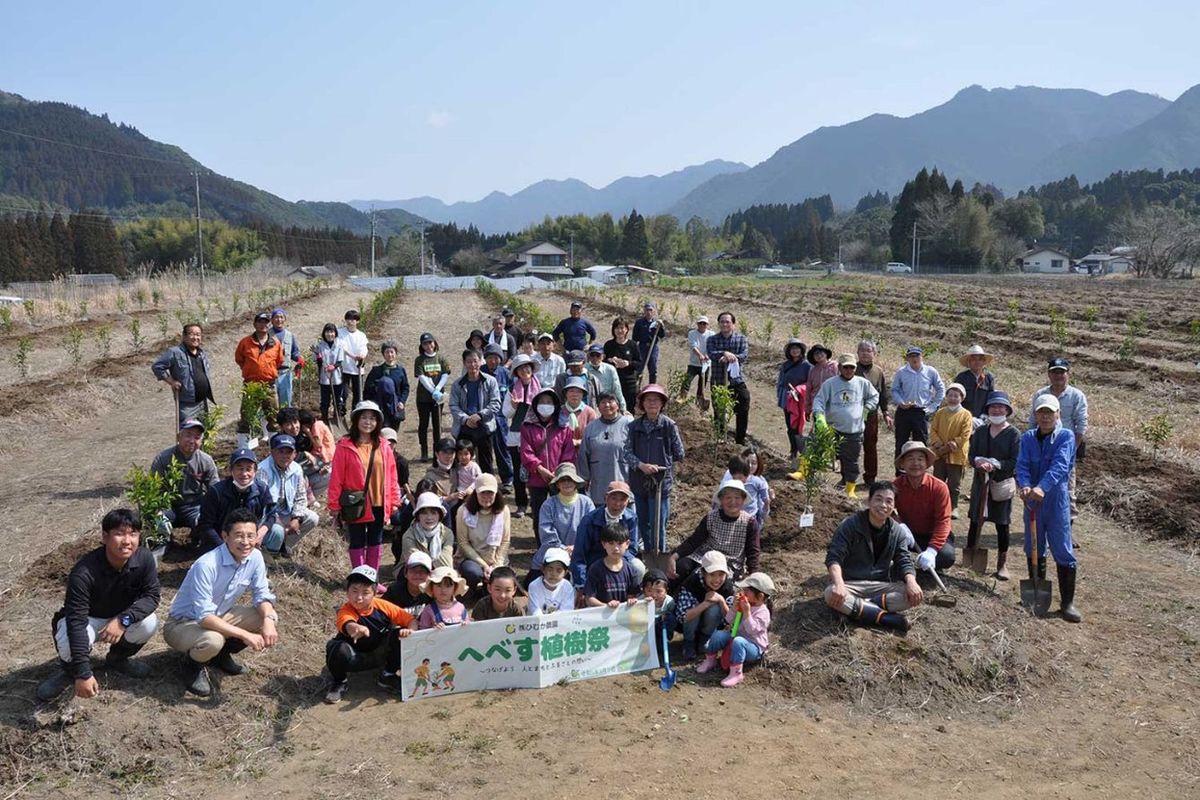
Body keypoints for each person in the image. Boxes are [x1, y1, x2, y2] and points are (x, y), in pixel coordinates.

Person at [36, 509, 161, 702]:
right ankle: (71, 672)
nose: (127, 541)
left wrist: (123, 620)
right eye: (119, 533)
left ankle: (118, 659)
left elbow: (152, 596)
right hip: (88, 619)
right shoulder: (84, 572)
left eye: (133, 534)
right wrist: (83, 674)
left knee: (149, 623)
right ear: (105, 537)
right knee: (68, 637)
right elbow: (76, 621)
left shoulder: (144, 559)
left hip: (120, 616)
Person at [164, 508, 279, 697]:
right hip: (183, 624)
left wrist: (267, 619)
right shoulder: (206, 565)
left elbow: (261, 594)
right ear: (225, 536)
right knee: (213, 640)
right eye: (239, 536)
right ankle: (192, 666)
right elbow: (204, 618)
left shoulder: (255, 557)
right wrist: (245, 635)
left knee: (269, 617)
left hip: (219, 614)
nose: (246, 542)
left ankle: (219, 656)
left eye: (251, 536)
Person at [824, 481, 923, 632]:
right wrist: (839, 583)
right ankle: (887, 619)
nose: (883, 505)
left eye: (889, 501)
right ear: (868, 501)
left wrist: (912, 582)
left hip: (879, 586)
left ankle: (858, 610)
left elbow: (904, 560)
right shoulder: (850, 525)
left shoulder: (897, 532)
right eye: (878, 499)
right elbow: (834, 556)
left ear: (894, 507)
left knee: (910, 595)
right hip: (851, 584)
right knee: (830, 593)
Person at [1017, 394, 1080, 622]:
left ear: (1057, 415)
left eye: (1049, 413)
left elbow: (1061, 465)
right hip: (1032, 501)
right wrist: (1024, 485)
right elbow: (1022, 465)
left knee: (1062, 548)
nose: (1045, 417)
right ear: (1035, 415)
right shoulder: (1027, 438)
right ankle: (1036, 593)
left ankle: (1067, 603)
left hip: (1055, 501)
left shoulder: (1065, 436)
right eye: (1041, 412)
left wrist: (1042, 487)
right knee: (1033, 545)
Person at [327, 400, 402, 575]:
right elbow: (336, 477)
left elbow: (392, 476)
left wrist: (394, 501)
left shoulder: (383, 446)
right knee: (357, 540)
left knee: (376, 540)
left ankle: (371, 577)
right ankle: (359, 577)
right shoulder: (345, 446)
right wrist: (334, 505)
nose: (368, 422)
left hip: (378, 500)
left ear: (377, 423)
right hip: (356, 502)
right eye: (364, 418)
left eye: (372, 418)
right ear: (356, 420)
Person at [323, 565, 416, 703]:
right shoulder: (346, 609)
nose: (359, 597)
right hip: (355, 658)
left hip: (380, 655)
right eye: (354, 591)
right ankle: (340, 682)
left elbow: (411, 620)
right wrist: (356, 628)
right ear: (347, 592)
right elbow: (347, 623)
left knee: (400, 634)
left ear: (374, 593)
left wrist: (411, 630)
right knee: (335, 648)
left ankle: (388, 675)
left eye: (365, 592)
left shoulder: (383, 606)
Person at [623, 383, 685, 553]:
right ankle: (649, 555)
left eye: (656, 400)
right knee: (643, 523)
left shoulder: (669, 426)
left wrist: (662, 465)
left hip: (661, 483)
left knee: (659, 524)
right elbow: (626, 453)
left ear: (662, 404)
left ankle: (660, 556)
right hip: (639, 482)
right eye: (648, 400)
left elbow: (679, 452)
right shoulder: (633, 427)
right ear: (642, 403)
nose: (652, 404)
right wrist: (641, 465)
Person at [965, 391, 1021, 580]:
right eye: (993, 406)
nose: (997, 410)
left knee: (1002, 523)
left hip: (1001, 485)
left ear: (1007, 410)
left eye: (1000, 406)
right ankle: (971, 555)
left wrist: (996, 464)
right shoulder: (980, 431)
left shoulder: (1013, 434)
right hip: (981, 483)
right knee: (975, 518)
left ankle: (1002, 564)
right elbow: (971, 455)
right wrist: (979, 462)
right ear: (988, 409)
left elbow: (1015, 462)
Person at [1028, 357, 1088, 530]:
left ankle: (1066, 529)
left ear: (1068, 374)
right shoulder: (1041, 395)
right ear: (1049, 374)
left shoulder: (1076, 396)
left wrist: (1071, 450)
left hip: (1065, 449)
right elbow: (1033, 421)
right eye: (1054, 372)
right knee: (1040, 485)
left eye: (1061, 372)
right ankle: (1040, 525)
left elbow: (1081, 425)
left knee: (1067, 490)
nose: (1058, 375)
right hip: (1041, 447)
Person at [812, 353, 880, 496]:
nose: (849, 370)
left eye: (852, 368)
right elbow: (819, 401)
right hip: (833, 428)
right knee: (818, 451)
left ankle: (850, 488)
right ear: (840, 368)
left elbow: (874, 396)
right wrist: (819, 416)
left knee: (851, 459)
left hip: (853, 430)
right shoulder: (830, 384)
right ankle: (807, 477)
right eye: (846, 367)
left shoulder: (862, 383)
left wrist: (867, 408)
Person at [667, 479, 761, 583]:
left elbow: (753, 551)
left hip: (729, 562)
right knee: (682, 567)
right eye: (728, 497)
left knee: (721, 583)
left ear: (743, 500)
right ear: (721, 500)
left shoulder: (749, 522)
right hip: (705, 557)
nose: (732, 502)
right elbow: (694, 540)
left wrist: (754, 575)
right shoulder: (711, 517)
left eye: (737, 498)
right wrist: (675, 556)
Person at [697, 572, 775, 688]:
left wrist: (747, 613)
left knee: (739, 641)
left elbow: (751, 630)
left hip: (753, 647)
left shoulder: (763, 612)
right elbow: (728, 620)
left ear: (760, 596)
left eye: (747, 591)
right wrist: (734, 608)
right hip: (736, 638)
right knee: (718, 635)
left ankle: (736, 673)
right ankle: (710, 660)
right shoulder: (744, 604)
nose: (743, 593)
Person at [194, 448, 274, 553]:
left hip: (248, 542)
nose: (244, 474)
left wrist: (260, 533)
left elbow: (272, 514)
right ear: (231, 470)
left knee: (277, 532)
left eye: (248, 469)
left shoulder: (262, 489)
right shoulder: (217, 491)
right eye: (240, 468)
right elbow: (205, 525)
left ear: (255, 471)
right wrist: (225, 547)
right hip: (219, 543)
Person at [893, 440, 956, 572]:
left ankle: (926, 562)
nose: (916, 463)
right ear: (903, 464)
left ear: (927, 463)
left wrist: (932, 551)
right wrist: (899, 524)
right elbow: (884, 509)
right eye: (910, 459)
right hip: (907, 534)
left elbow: (943, 521)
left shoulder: (939, 488)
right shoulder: (895, 486)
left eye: (920, 459)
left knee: (946, 556)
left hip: (932, 534)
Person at [520, 386, 576, 532]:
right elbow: (526, 452)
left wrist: (560, 473)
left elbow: (568, 452)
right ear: (536, 405)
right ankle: (542, 546)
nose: (546, 405)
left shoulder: (563, 427)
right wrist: (540, 469)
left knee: (561, 514)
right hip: (536, 478)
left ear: (555, 405)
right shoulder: (527, 426)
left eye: (549, 402)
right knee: (539, 514)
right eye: (542, 401)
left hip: (559, 479)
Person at [570, 480, 643, 589]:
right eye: (614, 498)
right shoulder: (589, 520)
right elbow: (579, 555)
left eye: (622, 499)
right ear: (606, 498)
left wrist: (616, 561)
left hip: (620, 559)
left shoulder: (631, 518)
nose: (618, 504)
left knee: (638, 566)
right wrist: (581, 585)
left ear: (628, 501)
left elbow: (632, 547)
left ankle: (632, 594)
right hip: (594, 562)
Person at [530, 463, 594, 583]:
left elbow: (591, 530)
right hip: (553, 550)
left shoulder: (587, 502)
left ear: (576, 482)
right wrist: (563, 549)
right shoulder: (548, 504)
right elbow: (546, 532)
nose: (566, 483)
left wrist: (576, 547)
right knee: (535, 582)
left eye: (570, 479)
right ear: (557, 484)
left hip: (581, 550)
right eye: (563, 480)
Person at [151, 418, 219, 531]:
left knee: (205, 525)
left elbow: (215, 489)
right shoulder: (163, 459)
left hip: (194, 506)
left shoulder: (206, 460)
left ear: (201, 441)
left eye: (197, 437)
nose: (192, 440)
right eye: (188, 435)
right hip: (168, 505)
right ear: (179, 437)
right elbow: (153, 489)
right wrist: (157, 512)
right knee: (158, 528)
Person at [258, 433, 320, 555]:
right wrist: (277, 522)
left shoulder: (296, 469)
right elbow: (263, 505)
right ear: (272, 452)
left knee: (312, 518)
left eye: (289, 452)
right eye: (281, 451)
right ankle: (268, 553)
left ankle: (284, 546)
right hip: (268, 516)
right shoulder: (263, 470)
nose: (285, 456)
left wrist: (296, 518)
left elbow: (301, 497)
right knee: (277, 530)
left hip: (286, 511)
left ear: (294, 454)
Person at [448, 348, 501, 475]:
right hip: (465, 427)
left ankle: (488, 490)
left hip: (484, 425)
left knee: (486, 462)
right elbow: (453, 405)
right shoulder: (457, 384)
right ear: (464, 363)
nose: (473, 365)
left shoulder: (490, 381)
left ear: (480, 362)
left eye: (475, 361)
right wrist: (466, 419)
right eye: (469, 362)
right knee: (462, 462)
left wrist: (480, 415)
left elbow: (496, 403)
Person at [455, 474, 511, 591]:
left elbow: (505, 540)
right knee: (473, 572)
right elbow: (463, 542)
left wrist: (497, 565)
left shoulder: (504, 511)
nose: (486, 497)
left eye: (490, 493)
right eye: (482, 493)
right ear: (476, 493)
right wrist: (484, 565)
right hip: (473, 558)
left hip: (495, 557)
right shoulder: (463, 511)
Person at [675, 550, 734, 661]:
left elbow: (731, 620)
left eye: (721, 574)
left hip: (712, 625)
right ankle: (689, 642)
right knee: (693, 610)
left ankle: (704, 639)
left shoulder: (728, 587)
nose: (717, 580)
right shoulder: (691, 584)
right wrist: (706, 603)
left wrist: (721, 600)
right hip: (690, 626)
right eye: (712, 574)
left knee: (715, 608)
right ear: (703, 572)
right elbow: (683, 616)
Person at [152, 323, 215, 425]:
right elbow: (157, 367)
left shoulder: (201, 354)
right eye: (192, 334)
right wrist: (172, 382)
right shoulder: (175, 352)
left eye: (198, 335)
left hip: (202, 403)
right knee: (188, 433)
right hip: (187, 405)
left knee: (203, 434)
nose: (196, 338)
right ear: (184, 336)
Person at [891, 346, 946, 460]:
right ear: (907, 358)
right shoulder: (901, 372)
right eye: (911, 356)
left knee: (921, 443)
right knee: (901, 442)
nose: (914, 359)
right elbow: (895, 390)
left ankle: (920, 472)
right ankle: (900, 472)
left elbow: (941, 389)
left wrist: (932, 407)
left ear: (922, 357)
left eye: (917, 356)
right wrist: (901, 402)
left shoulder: (930, 371)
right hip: (904, 411)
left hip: (921, 412)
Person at [577, 392, 632, 505]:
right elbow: (583, 455)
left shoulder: (629, 425)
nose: (607, 405)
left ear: (617, 404)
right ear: (598, 406)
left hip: (623, 479)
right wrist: (584, 478)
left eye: (610, 401)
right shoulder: (591, 428)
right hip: (599, 482)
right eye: (602, 402)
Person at [503, 353, 540, 516]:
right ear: (517, 372)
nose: (525, 370)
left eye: (527, 367)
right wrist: (513, 406)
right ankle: (521, 504)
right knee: (518, 472)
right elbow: (505, 413)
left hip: (536, 435)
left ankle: (536, 503)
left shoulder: (540, 387)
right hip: (516, 435)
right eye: (521, 368)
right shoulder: (512, 389)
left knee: (535, 470)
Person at [234, 311, 284, 433]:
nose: (263, 325)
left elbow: (279, 361)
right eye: (260, 322)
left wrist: (266, 371)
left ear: (269, 324)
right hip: (251, 385)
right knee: (246, 418)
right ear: (254, 324)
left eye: (265, 322)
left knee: (274, 418)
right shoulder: (245, 342)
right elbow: (239, 359)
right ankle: (244, 448)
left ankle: (276, 448)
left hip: (269, 386)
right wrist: (250, 369)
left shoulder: (276, 344)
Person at [706, 311, 751, 444]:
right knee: (719, 408)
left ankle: (740, 438)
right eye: (722, 322)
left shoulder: (741, 339)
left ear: (733, 324)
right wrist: (724, 353)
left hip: (736, 380)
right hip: (718, 379)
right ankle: (720, 436)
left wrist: (732, 357)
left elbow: (744, 355)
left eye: (728, 322)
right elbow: (711, 353)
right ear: (719, 324)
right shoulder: (712, 339)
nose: (725, 324)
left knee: (743, 404)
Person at [929, 383, 973, 518]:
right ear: (946, 397)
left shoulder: (966, 414)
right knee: (938, 480)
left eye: (956, 396)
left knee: (954, 484)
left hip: (956, 454)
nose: (953, 398)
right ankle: (937, 505)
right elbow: (933, 430)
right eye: (950, 395)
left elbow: (966, 434)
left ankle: (953, 507)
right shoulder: (940, 412)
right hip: (940, 453)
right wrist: (938, 443)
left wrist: (953, 444)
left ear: (962, 398)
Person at [855, 340, 892, 485]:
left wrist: (886, 413)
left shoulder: (878, 371)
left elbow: (883, 395)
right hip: (852, 415)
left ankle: (870, 477)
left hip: (870, 415)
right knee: (850, 445)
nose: (865, 353)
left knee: (870, 445)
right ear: (857, 353)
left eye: (868, 350)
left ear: (874, 353)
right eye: (862, 350)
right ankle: (847, 475)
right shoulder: (851, 369)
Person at [414, 332, 452, 461]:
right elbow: (422, 377)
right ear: (422, 346)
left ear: (434, 343)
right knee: (423, 425)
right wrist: (432, 391)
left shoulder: (441, 358)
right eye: (425, 343)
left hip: (438, 398)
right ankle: (424, 451)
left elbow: (445, 374)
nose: (428, 345)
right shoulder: (419, 360)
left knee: (437, 425)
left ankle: (437, 452)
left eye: (430, 342)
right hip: (423, 398)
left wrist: (438, 389)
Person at [481, 344, 514, 491]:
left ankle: (507, 479)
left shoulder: (505, 374)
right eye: (489, 358)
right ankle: (486, 480)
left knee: (502, 448)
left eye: (495, 358)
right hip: (483, 417)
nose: (492, 361)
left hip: (500, 417)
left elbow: (513, 392)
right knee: (485, 450)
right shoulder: (479, 372)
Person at [584, 524, 641, 608]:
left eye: (620, 543)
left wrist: (631, 601)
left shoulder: (632, 571)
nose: (616, 548)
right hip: (601, 617)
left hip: (623, 617)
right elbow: (589, 599)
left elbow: (632, 596)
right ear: (603, 544)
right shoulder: (595, 569)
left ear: (627, 544)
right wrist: (607, 606)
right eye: (611, 543)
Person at [399, 492, 456, 571]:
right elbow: (417, 563)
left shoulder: (447, 533)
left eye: (433, 513)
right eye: (424, 513)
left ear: (440, 515)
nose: (429, 517)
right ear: (418, 516)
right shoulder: (409, 535)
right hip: (415, 573)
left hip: (440, 572)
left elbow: (446, 563)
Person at [364, 341, 410, 431]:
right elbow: (368, 389)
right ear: (383, 354)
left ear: (396, 354)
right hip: (380, 407)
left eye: (392, 352)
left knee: (393, 433)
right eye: (387, 352)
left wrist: (402, 401)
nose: (389, 355)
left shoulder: (400, 371)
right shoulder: (377, 370)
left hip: (395, 407)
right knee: (382, 432)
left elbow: (405, 388)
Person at [776, 339, 810, 461]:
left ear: (801, 351)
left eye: (797, 348)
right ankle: (793, 451)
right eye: (792, 349)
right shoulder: (785, 365)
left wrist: (799, 390)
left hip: (800, 401)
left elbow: (809, 383)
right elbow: (781, 382)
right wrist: (781, 396)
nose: (795, 351)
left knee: (799, 426)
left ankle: (803, 452)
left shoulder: (807, 366)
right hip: (788, 400)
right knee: (790, 426)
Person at [604, 316, 643, 413]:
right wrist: (611, 361)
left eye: (622, 328)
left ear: (626, 330)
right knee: (613, 408)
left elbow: (639, 363)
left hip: (629, 382)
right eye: (617, 328)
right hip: (612, 381)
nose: (619, 331)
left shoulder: (632, 345)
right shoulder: (609, 345)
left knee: (629, 409)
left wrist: (627, 363)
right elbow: (603, 362)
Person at [641, 568, 678, 666]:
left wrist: (663, 617)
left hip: (661, 629)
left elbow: (672, 615)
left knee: (670, 618)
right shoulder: (641, 601)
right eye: (649, 590)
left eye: (659, 591)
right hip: (646, 631)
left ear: (666, 591)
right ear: (643, 590)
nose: (654, 595)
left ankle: (664, 643)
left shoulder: (669, 602)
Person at [311, 322, 346, 425]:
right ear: (324, 333)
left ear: (335, 333)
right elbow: (317, 361)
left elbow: (340, 360)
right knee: (325, 400)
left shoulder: (339, 343)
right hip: (324, 376)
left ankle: (337, 417)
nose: (329, 334)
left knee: (337, 398)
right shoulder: (320, 345)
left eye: (332, 332)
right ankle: (325, 418)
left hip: (337, 376)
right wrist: (318, 357)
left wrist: (334, 366)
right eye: (327, 332)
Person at [383, 551, 434, 618]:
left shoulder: (434, 592)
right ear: (405, 573)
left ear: (430, 575)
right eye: (413, 570)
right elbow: (381, 611)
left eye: (423, 571)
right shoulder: (394, 591)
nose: (418, 574)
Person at [269, 308, 303, 408]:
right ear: (271, 320)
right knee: (271, 404)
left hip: (285, 374)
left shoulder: (289, 335)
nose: (279, 320)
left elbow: (294, 352)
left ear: (284, 319)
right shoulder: (266, 335)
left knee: (286, 403)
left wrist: (299, 358)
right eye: (276, 317)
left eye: (281, 317)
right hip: (271, 374)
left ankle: (285, 423)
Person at [527, 547, 576, 615]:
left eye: (559, 570)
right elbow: (535, 612)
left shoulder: (567, 587)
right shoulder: (534, 586)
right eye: (550, 569)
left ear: (565, 573)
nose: (554, 574)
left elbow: (566, 611)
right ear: (543, 569)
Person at [954, 344, 997, 421]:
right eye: (973, 359)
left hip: (982, 419)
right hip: (962, 418)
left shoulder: (989, 377)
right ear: (969, 362)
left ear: (984, 362)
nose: (977, 362)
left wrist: (985, 414)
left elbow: (991, 398)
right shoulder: (961, 377)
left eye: (980, 359)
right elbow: (955, 397)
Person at [337, 309, 369, 411]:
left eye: (353, 319)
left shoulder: (361, 335)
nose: (350, 321)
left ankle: (355, 413)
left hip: (357, 369)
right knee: (343, 393)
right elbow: (341, 347)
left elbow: (364, 348)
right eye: (348, 319)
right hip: (344, 368)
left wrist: (361, 356)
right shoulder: (340, 332)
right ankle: (341, 412)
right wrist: (352, 356)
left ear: (357, 321)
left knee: (358, 394)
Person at [298, 409, 335, 493]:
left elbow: (318, 445)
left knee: (298, 470)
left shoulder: (316, 426)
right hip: (325, 456)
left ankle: (307, 493)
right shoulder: (320, 423)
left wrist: (308, 432)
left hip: (322, 457)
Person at [682, 316, 714, 406]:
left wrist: (708, 355)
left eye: (704, 323)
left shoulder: (711, 334)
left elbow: (712, 347)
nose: (702, 325)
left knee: (701, 386)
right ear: (697, 324)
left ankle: (699, 403)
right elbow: (693, 346)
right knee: (686, 381)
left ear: (707, 325)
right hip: (693, 363)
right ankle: (682, 399)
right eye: (700, 323)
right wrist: (700, 355)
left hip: (706, 365)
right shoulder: (692, 333)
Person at [632, 301, 667, 384]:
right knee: (639, 367)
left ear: (654, 311)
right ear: (644, 311)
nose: (649, 312)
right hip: (642, 347)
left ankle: (652, 387)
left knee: (653, 368)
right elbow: (634, 337)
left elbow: (662, 336)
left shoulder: (657, 323)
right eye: (647, 310)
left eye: (651, 310)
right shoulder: (639, 322)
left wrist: (662, 327)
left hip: (653, 347)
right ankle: (637, 385)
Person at [560, 375, 598, 447]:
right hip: (562, 451)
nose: (575, 394)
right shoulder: (560, 411)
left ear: (583, 395)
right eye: (571, 391)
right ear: (566, 394)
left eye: (578, 392)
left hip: (583, 452)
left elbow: (594, 437)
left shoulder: (590, 412)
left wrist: (578, 442)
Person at [585, 343, 625, 414]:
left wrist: (623, 407)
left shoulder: (610, 369)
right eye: (592, 355)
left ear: (603, 356)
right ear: (589, 357)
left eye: (598, 355)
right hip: (590, 405)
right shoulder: (584, 369)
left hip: (608, 403)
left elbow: (617, 389)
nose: (595, 358)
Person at [803, 344, 836, 417]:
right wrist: (807, 408)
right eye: (816, 354)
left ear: (826, 354)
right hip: (817, 405)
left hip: (833, 404)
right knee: (819, 426)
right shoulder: (812, 371)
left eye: (821, 352)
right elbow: (809, 389)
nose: (819, 355)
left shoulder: (835, 366)